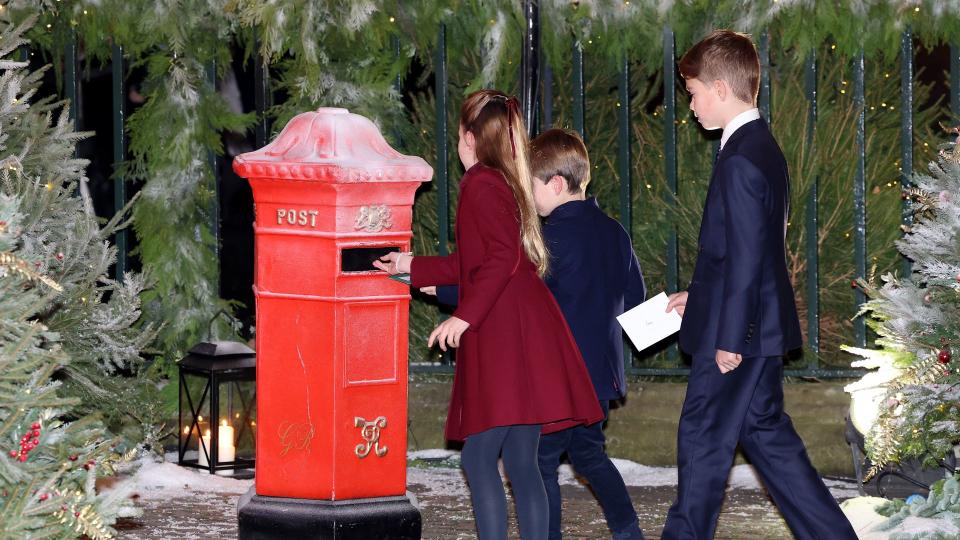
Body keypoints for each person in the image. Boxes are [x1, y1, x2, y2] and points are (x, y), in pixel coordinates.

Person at [374, 90, 602, 540]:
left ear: (469, 138)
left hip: (502, 332)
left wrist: (464, 317)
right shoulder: (505, 181)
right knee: (520, 462)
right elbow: (475, 262)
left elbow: (498, 260)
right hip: (526, 329)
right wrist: (410, 265)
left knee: (479, 459)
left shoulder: (479, 182)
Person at [661, 30, 857, 540]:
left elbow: (749, 258)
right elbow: (746, 251)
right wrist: (699, 297)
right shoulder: (759, 146)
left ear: (721, 89)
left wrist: (729, 336)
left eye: (694, 92)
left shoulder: (743, 157)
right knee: (769, 441)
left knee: (702, 444)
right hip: (754, 328)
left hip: (738, 337)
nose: (692, 104)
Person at [430, 129, 647, 539]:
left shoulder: (548, 239)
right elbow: (635, 299)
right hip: (599, 378)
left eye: (527, 186)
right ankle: (628, 529)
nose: (522, 198)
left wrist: (441, 288)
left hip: (556, 380)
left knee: (540, 462)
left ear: (556, 184)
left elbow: (505, 286)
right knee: (591, 456)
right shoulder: (615, 232)